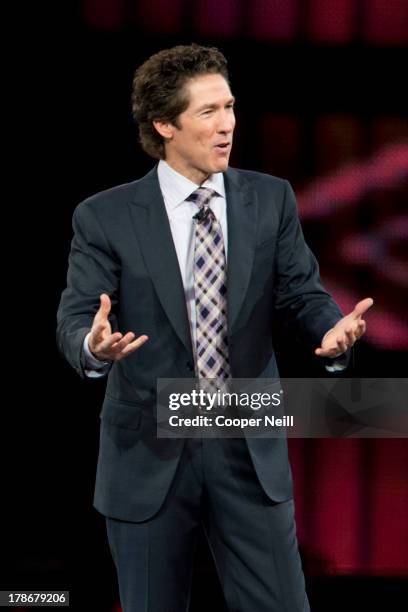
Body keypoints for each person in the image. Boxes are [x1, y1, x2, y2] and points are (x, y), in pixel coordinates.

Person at [57, 44, 373, 612]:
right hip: (148, 451)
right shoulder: (103, 216)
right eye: (208, 112)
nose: (227, 124)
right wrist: (93, 346)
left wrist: (329, 333)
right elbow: (78, 316)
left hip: (247, 445)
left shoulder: (269, 199)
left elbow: (301, 292)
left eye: (229, 106)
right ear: (164, 124)